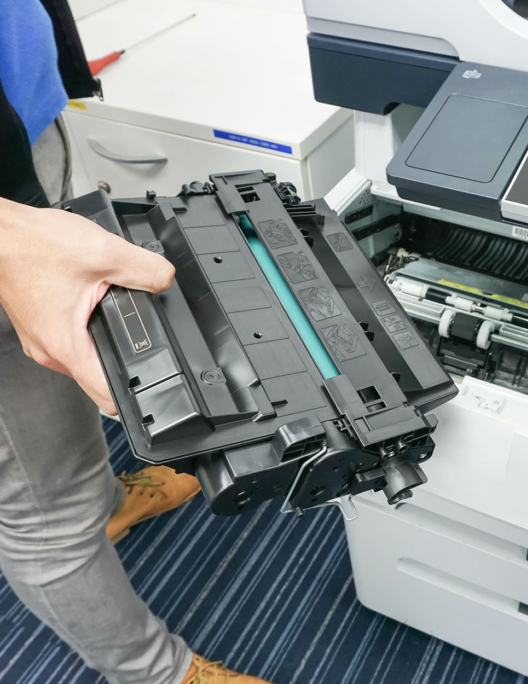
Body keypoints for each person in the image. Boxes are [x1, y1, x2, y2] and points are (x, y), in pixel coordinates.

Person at [0, 1, 276, 682]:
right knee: (43, 508)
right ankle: (157, 672)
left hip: (21, 138)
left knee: (66, 376)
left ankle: (107, 502)